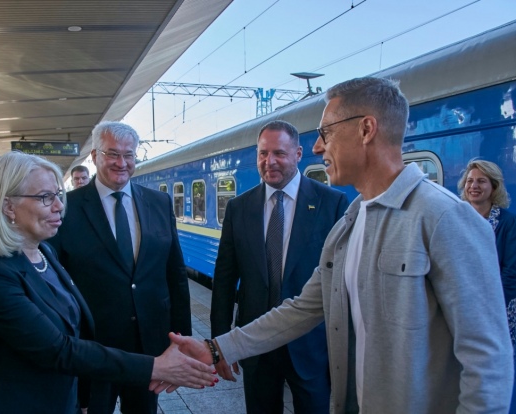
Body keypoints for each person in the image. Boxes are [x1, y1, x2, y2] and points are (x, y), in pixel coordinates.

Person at [172, 76, 513, 413]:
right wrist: (217, 348)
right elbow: (302, 309)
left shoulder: (447, 218)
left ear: (366, 130)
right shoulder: (349, 223)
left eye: (327, 133)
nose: (318, 147)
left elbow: (488, 364)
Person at [0, 151, 214, 414]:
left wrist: (81, 398)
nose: (59, 206)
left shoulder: (44, 254)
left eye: (58, 195)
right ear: (8, 206)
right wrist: (156, 366)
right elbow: (58, 350)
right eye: (45, 197)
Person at [49, 121, 192, 414]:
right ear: (94, 156)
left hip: (149, 345)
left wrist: (182, 340)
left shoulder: (159, 202)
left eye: (128, 155)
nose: (121, 163)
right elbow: (55, 279)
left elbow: (175, 274)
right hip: (92, 346)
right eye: (112, 154)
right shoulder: (66, 207)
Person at [210, 120, 348, 413]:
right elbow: (224, 280)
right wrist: (221, 344)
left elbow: (341, 281)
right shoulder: (239, 208)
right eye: (263, 153)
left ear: (298, 154)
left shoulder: (332, 203)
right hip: (256, 346)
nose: (269, 161)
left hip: (311, 346)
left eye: (279, 153)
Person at [458, 159, 516, 412]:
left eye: (481, 181)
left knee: (495, 369)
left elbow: (512, 273)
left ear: (494, 187)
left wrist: (486, 304)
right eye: (470, 181)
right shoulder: (457, 218)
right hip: (462, 308)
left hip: (498, 311)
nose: (474, 186)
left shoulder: (507, 223)